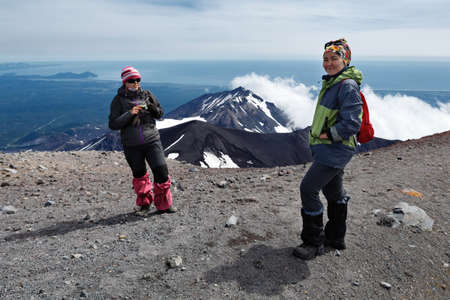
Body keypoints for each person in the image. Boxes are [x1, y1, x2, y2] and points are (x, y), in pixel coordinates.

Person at [293, 39, 363, 260]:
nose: (329, 63)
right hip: (330, 149)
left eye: (334, 58)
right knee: (333, 192)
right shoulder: (334, 83)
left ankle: (313, 243)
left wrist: (327, 135)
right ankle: (335, 237)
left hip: (335, 149)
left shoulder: (347, 86)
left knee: (308, 189)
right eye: (325, 59)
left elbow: (353, 123)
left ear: (345, 59)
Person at [109, 66, 176, 215]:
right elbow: (113, 124)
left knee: (161, 172)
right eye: (131, 80)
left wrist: (150, 106)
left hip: (152, 140)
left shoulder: (147, 94)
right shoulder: (118, 100)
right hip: (131, 145)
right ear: (125, 82)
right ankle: (144, 205)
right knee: (139, 175)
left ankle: (164, 205)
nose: (135, 83)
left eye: (138, 80)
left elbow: (159, 113)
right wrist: (129, 114)